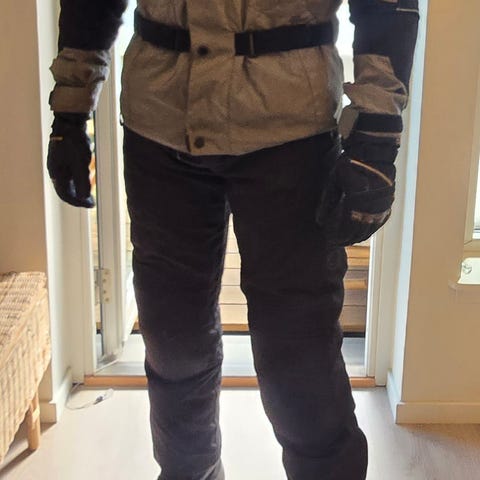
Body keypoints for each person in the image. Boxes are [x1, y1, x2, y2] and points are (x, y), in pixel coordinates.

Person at [47, 1, 419, 478]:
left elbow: (386, 6)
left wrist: (377, 134)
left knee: (299, 349)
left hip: (291, 132)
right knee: (173, 336)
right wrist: (70, 110)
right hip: (160, 126)